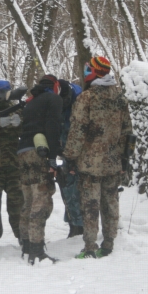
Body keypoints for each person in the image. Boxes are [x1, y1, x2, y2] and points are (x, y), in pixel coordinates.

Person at [63, 56, 132, 259]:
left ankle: (90, 247)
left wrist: (69, 157)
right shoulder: (120, 97)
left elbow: (77, 130)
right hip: (113, 161)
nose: (85, 72)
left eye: (88, 69)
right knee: (111, 203)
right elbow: (127, 131)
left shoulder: (86, 98)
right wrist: (125, 159)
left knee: (90, 205)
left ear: (95, 72)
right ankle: (109, 244)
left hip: (89, 164)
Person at [17, 74, 62, 265]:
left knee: (28, 199)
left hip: (22, 153)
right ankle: (37, 250)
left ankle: (26, 244)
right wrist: (53, 157)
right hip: (39, 153)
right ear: (55, 85)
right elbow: (53, 127)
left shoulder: (30, 102)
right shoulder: (53, 99)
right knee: (41, 200)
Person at [0, 80, 24, 247]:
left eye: (4, 92)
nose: (1, 96)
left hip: (14, 164)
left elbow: (25, 126)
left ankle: (22, 235)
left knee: (17, 202)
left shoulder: (16, 108)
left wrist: (19, 120)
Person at [57, 79, 84, 238]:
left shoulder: (80, 99)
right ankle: (73, 223)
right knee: (67, 185)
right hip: (66, 150)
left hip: (81, 151)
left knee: (77, 187)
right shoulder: (57, 99)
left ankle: (80, 225)